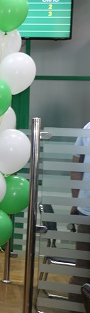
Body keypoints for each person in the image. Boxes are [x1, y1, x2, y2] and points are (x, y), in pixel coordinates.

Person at [69, 121, 90, 302]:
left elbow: (76, 166)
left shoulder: (88, 127)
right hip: (87, 209)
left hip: (86, 208)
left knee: (82, 270)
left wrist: (76, 201)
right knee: (82, 271)